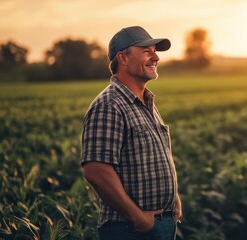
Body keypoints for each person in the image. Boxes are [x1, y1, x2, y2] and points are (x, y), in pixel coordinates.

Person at [81, 26, 181, 240]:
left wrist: (173, 200)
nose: (156, 57)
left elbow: (155, 157)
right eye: (147, 51)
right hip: (129, 229)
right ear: (123, 58)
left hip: (160, 223)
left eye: (155, 51)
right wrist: (137, 217)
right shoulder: (109, 104)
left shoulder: (146, 102)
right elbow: (96, 170)